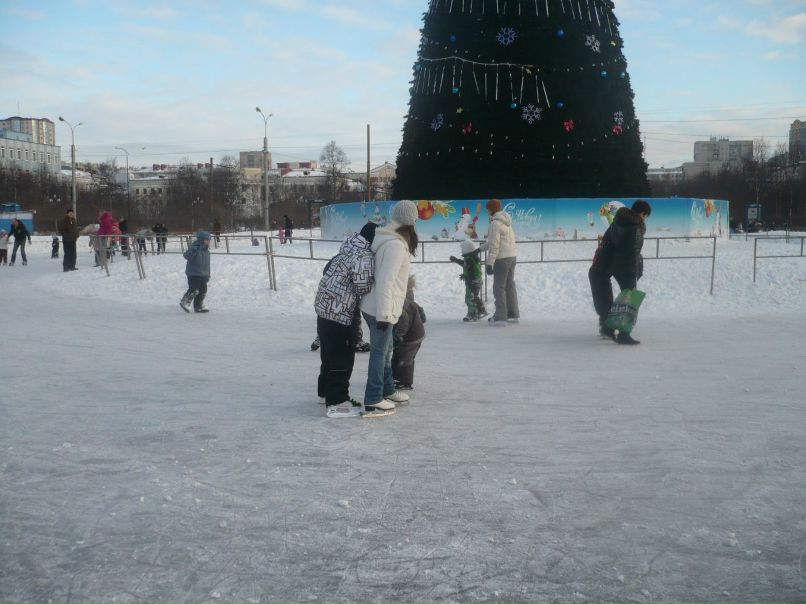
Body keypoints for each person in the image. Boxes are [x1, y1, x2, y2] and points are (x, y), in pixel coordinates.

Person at [360, 200, 419, 417]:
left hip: (376, 305)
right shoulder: (395, 245)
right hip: (380, 308)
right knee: (379, 352)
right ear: (410, 221)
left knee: (386, 351)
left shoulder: (391, 239)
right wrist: (385, 315)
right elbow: (386, 280)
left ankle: (387, 390)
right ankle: (373, 398)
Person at [314, 222, 377, 418]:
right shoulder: (364, 255)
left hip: (324, 307)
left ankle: (325, 392)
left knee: (328, 352)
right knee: (342, 355)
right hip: (340, 311)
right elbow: (361, 286)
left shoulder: (347, 249)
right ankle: (337, 399)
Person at [588, 199, 652, 345]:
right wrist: (634, 271)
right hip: (626, 267)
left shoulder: (617, 222)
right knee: (631, 299)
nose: (645, 219)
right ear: (643, 214)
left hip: (612, 265)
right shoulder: (635, 227)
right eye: (646, 216)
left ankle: (607, 328)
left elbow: (609, 244)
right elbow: (633, 252)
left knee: (617, 297)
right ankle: (624, 334)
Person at [478, 198, 518, 326]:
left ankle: (501, 317)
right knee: (509, 285)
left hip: (502, 259)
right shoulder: (506, 221)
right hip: (512, 256)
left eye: (488, 209)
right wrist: (479, 249)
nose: (487, 211)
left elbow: (494, 245)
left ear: (492, 209)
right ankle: (512, 314)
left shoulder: (495, 223)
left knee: (498, 287)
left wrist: (489, 263)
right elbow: (493, 242)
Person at [392, 275, 426, 391]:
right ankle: (395, 377)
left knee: (405, 359)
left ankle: (405, 382)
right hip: (412, 333)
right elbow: (417, 309)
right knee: (398, 355)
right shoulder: (406, 298)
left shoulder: (400, 301)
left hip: (412, 337)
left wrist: (398, 335)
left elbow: (404, 319)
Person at [449, 239, 487, 322]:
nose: (462, 250)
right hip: (476, 281)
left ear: (466, 250)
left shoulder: (469, 259)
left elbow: (471, 272)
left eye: (463, 249)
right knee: (474, 297)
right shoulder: (471, 257)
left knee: (469, 298)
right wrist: (456, 260)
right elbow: (465, 265)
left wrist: (465, 276)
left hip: (472, 282)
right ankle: (480, 310)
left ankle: (472, 313)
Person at [179, 230, 212, 313]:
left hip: (203, 274)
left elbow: (207, 265)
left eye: (209, 240)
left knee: (203, 290)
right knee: (194, 289)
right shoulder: (195, 248)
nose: (208, 241)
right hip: (194, 273)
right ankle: (185, 301)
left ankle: (198, 306)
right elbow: (187, 256)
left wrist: (207, 275)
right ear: (201, 240)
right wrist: (193, 250)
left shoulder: (206, 251)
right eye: (206, 240)